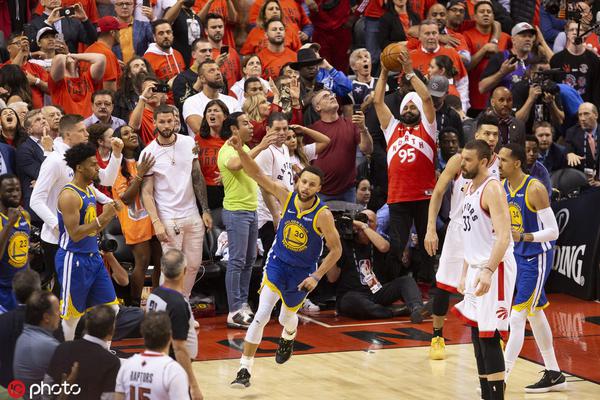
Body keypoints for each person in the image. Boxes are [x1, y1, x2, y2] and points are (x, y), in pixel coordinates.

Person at [228, 134, 342, 389]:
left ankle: (289, 335)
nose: (306, 188)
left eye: (312, 185)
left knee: (285, 318)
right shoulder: (286, 196)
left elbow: (336, 250)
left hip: (302, 273)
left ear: (319, 189)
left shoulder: (323, 215)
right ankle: (244, 369)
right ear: (298, 181)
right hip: (277, 264)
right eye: (304, 182)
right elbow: (257, 174)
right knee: (261, 315)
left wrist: (316, 276)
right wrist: (242, 151)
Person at [425, 113, 501, 360]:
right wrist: (430, 228)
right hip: (460, 227)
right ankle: (437, 335)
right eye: (486, 133)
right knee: (444, 284)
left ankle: (492, 333)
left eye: (495, 134)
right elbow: (437, 192)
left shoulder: (501, 163)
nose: (491, 138)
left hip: (486, 232)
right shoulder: (460, 160)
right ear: (476, 134)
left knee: (487, 287)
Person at [497, 143, 566, 393]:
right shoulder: (502, 187)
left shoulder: (534, 188)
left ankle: (500, 379)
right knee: (535, 313)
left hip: (537, 258)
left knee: (517, 317)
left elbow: (553, 232)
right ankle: (554, 373)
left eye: (503, 160)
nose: (499, 164)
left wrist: (524, 237)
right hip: (517, 257)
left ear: (516, 163)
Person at [451, 139, 516, 400]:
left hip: (495, 267)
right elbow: (471, 236)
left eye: (468, 160)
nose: (462, 164)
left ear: (484, 162)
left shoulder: (493, 189)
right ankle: (486, 395)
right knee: (477, 334)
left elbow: (504, 236)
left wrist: (488, 270)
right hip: (476, 267)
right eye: (462, 158)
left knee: (489, 335)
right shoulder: (469, 187)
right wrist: (464, 272)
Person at [373, 46, 437, 287]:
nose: (409, 110)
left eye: (413, 107)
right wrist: (383, 71)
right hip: (398, 196)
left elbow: (427, 98)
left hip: (425, 195)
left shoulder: (427, 127)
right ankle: (394, 286)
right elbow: (377, 101)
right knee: (397, 245)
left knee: (426, 243)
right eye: (406, 108)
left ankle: (427, 285)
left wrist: (409, 72)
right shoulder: (392, 128)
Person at [140, 105, 213, 299]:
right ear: (154, 123)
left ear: (175, 121)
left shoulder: (188, 142)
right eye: (161, 122)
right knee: (172, 268)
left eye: (169, 121)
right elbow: (146, 192)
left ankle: (183, 301)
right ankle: (166, 305)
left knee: (194, 265)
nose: (166, 125)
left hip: (192, 213)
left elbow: (197, 176)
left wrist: (205, 209)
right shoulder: (148, 152)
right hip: (168, 217)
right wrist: (156, 222)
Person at [55, 142, 122, 341]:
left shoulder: (90, 191)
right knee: (72, 317)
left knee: (112, 309)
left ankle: (100, 352)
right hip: (73, 258)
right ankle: (66, 355)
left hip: (93, 258)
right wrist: (103, 217)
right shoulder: (69, 195)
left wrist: (109, 215)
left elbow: (94, 229)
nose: (98, 168)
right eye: (93, 164)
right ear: (79, 167)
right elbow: (75, 234)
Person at [217, 112, 277, 329]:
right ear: (234, 129)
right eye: (245, 123)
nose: (251, 126)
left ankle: (242, 304)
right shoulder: (227, 149)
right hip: (236, 212)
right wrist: (261, 146)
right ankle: (234, 310)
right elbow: (235, 165)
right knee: (237, 260)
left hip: (251, 210)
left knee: (250, 259)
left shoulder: (243, 148)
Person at [328, 209, 426, 321]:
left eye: (370, 221)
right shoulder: (343, 243)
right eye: (362, 219)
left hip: (377, 291)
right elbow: (332, 278)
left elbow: (384, 247)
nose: (365, 223)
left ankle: (417, 309)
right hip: (353, 294)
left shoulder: (378, 241)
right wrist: (332, 252)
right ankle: (394, 312)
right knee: (353, 301)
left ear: (376, 226)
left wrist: (364, 227)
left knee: (406, 281)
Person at [112, 125, 160, 306]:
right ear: (119, 141)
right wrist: (139, 175)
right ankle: (134, 305)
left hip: (154, 216)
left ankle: (157, 302)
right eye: (126, 134)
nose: (132, 135)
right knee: (143, 261)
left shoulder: (144, 158)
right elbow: (126, 198)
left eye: (133, 132)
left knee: (160, 262)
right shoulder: (116, 165)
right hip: (134, 219)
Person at [146, 249, 202, 400]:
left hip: (159, 362)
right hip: (175, 365)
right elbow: (179, 348)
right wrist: (193, 385)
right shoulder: (177, 303)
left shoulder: (154, 294)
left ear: (162, 269)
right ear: (184, 271)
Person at [309, 89, 373, 202]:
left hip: (348, 190)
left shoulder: (351, 125)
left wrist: (363, 128)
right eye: (325, 96)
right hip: (320, 191)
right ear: (318, 107)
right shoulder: (312, 130)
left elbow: (367, 149)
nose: (332, 97)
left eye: (332, 95)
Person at [46, 305, 121, 399]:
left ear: (87, 325)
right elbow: (108, 397)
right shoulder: (112, 362)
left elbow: (47, 385)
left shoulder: (63, 347)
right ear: (111, 330)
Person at [115, 311, 189, 400]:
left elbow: (118, 398)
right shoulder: (173, 370)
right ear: (170, 336)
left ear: (143, 335)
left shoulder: (127, 365)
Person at [462, 1, 511, 116]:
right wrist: (484, 50)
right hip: (475, 97)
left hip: (500, 98)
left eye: (489, 12)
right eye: (482, 12)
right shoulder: (466, 35)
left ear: (493, 16)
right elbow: (465, 67)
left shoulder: (505, 38)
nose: (486, 14)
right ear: (474, 16)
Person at [13, 290, 61, 396]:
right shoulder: (50, 346)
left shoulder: (23, 337)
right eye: (57, 310)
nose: (60, 313)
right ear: (46, 317)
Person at [0, 269, 41, 387]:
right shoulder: (49, 321)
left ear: (13, 293)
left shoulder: (3, 321)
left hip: (7, 384)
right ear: (38, 291)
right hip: (38, 386)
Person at [182, 60, 240, 135]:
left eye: (218, 69)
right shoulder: (191, 102)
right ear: (202, 79)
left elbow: (240, 127)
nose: (218, 73)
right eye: (212, 71)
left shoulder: (232, 101)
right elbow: (200, 130)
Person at [550, 20, 600, 106]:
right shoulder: (556, 59)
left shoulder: (593, 60)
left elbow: (596, 89)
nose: (575, 33)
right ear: (567, 34)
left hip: (586, 109)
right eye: (571, 30)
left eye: (579, 30)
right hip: (563, 109)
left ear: (586, 34)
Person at [16, 110, 52, 227]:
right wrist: (48, 150)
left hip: (53, 204)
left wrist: (42, 182)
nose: (43, 121)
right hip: (37, 209)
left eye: (44, 118)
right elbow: (43, 174)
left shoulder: (54, 144)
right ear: (29, 130)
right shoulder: (24, 149)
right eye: (38, 120)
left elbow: (64, 171)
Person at [0, 174, 30, 313]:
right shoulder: (4, 221)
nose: (15, 194)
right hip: (3, 291)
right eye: (9, 190)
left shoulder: (24, 216)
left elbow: (24, 252)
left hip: (22, 290)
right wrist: (9, 224)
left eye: (18, 189)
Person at [25, 0, 97, 53]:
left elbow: (92, 40)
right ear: (42, 2)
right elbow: (32, 47)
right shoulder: (34, 23)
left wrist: (85, 19)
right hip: (44, 65)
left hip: (70, 63)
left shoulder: (73, 21)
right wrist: (48, 23)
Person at [49, 52, 107, 117]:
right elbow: (59, 58)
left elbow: (101, 58)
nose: (71, 60)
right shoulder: (57, 83)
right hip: (68, 122)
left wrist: (73, 56)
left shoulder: (88, 78)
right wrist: (67, 57)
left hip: (89, 122)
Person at [144, 19, 186, 104]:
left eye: (168, 32)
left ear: (172, 35)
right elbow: (149, 89)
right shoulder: (148, 59)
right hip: (164, 106)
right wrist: (167, 87)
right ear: (154, 37)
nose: (166, 36)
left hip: (184, 101)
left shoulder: (177, 54)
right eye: (161, 33)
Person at [84, 16, 125, 92]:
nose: (120, 34)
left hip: (89, 97)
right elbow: (110, 90)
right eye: (118, 31)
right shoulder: (107, 54)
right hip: (100, 98)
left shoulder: (88, 50)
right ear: (112, 33)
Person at [204, 13, 241, 92]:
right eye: (214, 27)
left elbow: (239, 79)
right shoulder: (203, 53)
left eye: (220, 27)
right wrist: (215, 64)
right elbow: (198, 79)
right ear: (206, 31)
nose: (218, 30)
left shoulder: (232, 52)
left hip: (233, 97)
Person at [564, 102, 598, 178]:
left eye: (586, 114)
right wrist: (569, 154)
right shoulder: (572, 132)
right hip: (583, 179)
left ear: (596, 115)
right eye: (580, 115)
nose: (582, 119)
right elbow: (567, 148)